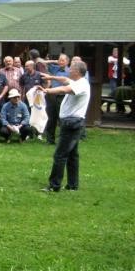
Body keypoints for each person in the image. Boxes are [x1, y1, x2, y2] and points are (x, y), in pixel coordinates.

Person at [39, 61, 90, 192]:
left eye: (71, 69)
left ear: (77, 72)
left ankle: (54, 185)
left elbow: (64, 89)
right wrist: (51, 77)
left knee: (60, 155)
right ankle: (72, 185)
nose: (69, 70)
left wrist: (47, 90)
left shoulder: (81, 85)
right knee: (72, 155)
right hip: (73, 122)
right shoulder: (77, 82)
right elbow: (64, 80)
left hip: (71, 123)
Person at [43, 54, 70, 144]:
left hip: (63, 96)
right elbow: (43, 62)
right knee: (51, 118)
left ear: (67, 62)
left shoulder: (70, 71)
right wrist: (54, 61)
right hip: (52, 96)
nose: (60, 62)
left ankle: (63, 140)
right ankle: (50, 140)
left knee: (61, 118)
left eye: (62, 60)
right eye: (59, 60)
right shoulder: (55, 68)